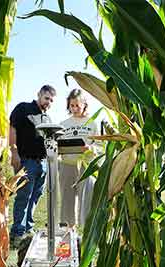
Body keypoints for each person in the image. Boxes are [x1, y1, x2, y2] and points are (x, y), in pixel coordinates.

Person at [9, 85, 56, 247]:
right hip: (27, 161)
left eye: (51, 100)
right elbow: (12, 128)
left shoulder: (47, 119)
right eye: (46, 98)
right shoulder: (23, 108)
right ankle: (17, 233)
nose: (48, 102)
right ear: (39, 95)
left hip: (42, 163)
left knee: (35, 197)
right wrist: (13, 152)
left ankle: (27, 227)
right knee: (23, 196)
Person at [59, 89, 99, 227]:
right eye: (72, 106)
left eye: (77, 105)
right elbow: (57, 143)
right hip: (67, 165)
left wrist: (91, 148)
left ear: (84, 104)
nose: (75, 108)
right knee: (66, 199)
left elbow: (100, 145)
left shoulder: (92, 123)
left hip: (86, 167)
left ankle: (85, 229)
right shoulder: (63, 124)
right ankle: (67, 227)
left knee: (86, 199)